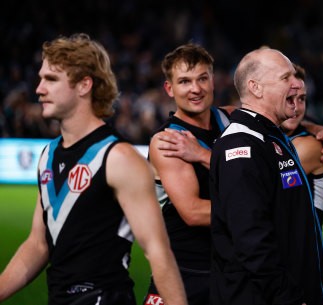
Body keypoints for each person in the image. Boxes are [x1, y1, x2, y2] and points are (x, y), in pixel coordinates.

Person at [0, 33, 188, 305]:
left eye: (51, 79)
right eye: (41, 78)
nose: (39, 89)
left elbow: (159, 253)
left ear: (84, 85)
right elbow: (38, 245)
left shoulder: (119, 158)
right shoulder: (48, 155)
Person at [209, 47, 323, 305]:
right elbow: (252, 241)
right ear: (256, 88)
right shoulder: (240, 146)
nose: (297, 85)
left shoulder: (271, 138)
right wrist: (289, 299)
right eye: (286, 78)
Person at [142, 43, 230, 305]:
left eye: (203, 78)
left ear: (212, 81)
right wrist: (257, 211)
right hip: (183, 273)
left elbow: (282, 119)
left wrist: (315, 128)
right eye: (184, 81)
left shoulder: (230, 120)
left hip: (227, 268)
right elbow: (193, 212)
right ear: (169, 89)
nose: (196, 89)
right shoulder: (167, 141)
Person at [280, 64, 323, 226]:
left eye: (301, 99)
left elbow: (260, 180)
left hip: (301, 248)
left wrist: (203, 155)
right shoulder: (274, 138)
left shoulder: (310, 145)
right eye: (289, 98)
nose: (296, 107)